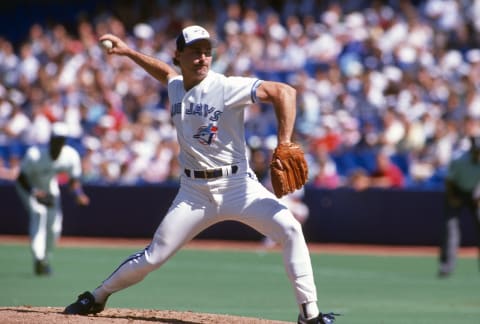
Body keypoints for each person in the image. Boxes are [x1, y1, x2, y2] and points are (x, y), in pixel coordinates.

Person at [63, 25, 338, 324]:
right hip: (193, 192)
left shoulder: (225, 86)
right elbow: (165, 73)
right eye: (195, 52)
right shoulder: (177, 86)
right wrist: (128, 52)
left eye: (207, 51)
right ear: (179, 55)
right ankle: (98, 296)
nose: (203, 58)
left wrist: (284, 142)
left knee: (291, 230)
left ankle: (309, 314)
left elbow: (285, 92)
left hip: (238, 187)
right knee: (154, 256)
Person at [15, 122, 90, 275]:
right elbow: (21, 178)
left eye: (61, 140)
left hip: (49, 186)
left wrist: (78, 194)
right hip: (29, 187)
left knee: (54, 227)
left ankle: (46, 259)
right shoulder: (35, 154)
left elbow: (73, 180)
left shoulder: (70, 155)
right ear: (50, 140)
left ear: (64, 141)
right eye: (56, 139)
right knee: (39, 215)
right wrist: (34, 192)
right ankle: (39, 258)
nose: (58, 143)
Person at [438, 136, 480, 278]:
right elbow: (449, 180)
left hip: (475, 193)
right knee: (451, 228)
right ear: (472, 150)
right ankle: (446, 266)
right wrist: (452, 198)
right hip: (456, 191)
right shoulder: (459, 160)